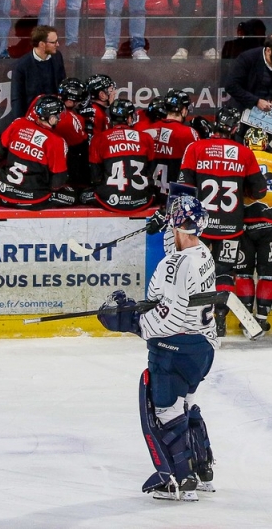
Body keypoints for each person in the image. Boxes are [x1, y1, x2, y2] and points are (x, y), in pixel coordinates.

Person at [96, 195, 217, 501]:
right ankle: (202, 469)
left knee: (165, 411)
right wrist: (166, 227)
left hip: (174, 349)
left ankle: (180, 479)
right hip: (202, 349)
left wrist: (133, 323)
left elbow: (170, 318)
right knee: (186, 405)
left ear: (179, 225)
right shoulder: (202, 253)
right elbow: (177, 254)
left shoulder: (175, 265)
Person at [177, 107, 267, 337]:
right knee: (224, 272)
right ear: (235, 128)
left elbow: (184, 188)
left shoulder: (195, 147)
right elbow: (260, 191)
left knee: (194, 270)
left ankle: (194, 318)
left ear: (214, 123)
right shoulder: (244, 153)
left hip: (199, 225)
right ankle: (219, 319)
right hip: (230, 224)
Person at [0, 95, 73, 210]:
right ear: (52, 118)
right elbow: (58, 182)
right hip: (34, 200)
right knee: (74, 195)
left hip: (5, 196)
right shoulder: (56, 142)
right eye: (58, 115)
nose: (60, 118)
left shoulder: (18, 124)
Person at [235, 127, 272, 335]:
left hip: (245, 220)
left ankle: (247, 318)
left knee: (243, 272)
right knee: (268, 274)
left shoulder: (241, 157)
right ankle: (262, 319)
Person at [83, 99, 156, 213]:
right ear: (129, 118)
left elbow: (95, 177)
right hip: (142, 199)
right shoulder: (146, 138)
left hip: (110, 200)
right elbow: (151, 171)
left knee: (82, 195)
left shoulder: (99, 138)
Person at [147, 90, 200, 206]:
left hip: (149, 198)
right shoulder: (189, 133)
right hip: (176, 200)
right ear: (183, 110)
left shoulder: (146, 131)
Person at [224, 34, 272, 114]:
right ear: (268, 50)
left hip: (269, 115)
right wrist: (256, 101)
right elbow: (231, 85)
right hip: (243, 111)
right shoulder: (247, 58)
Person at [10, 26, 66, 121]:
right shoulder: (21, 65)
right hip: (33, 117)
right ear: (42, 44)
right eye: (54, 42)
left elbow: (62, 84)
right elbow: (17, 98)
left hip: (56, 115)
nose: (57, 44)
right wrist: (20, 122)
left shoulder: (57, 57)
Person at [80, 74, 116, 142]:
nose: (114, 92)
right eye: (111, 89)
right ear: (102, 95)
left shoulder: (98, 111)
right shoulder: (96, 113)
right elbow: (93, 142)